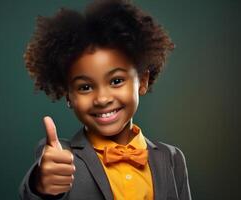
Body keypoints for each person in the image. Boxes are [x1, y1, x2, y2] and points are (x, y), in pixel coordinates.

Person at [19, 0, 191, 199]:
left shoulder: (172, 158)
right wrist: (41, 184)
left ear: (142, 81)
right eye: (85, 87)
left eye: (116, 81)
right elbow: (39, 189)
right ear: (68, 94)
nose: (102, 99)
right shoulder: (62, 157)